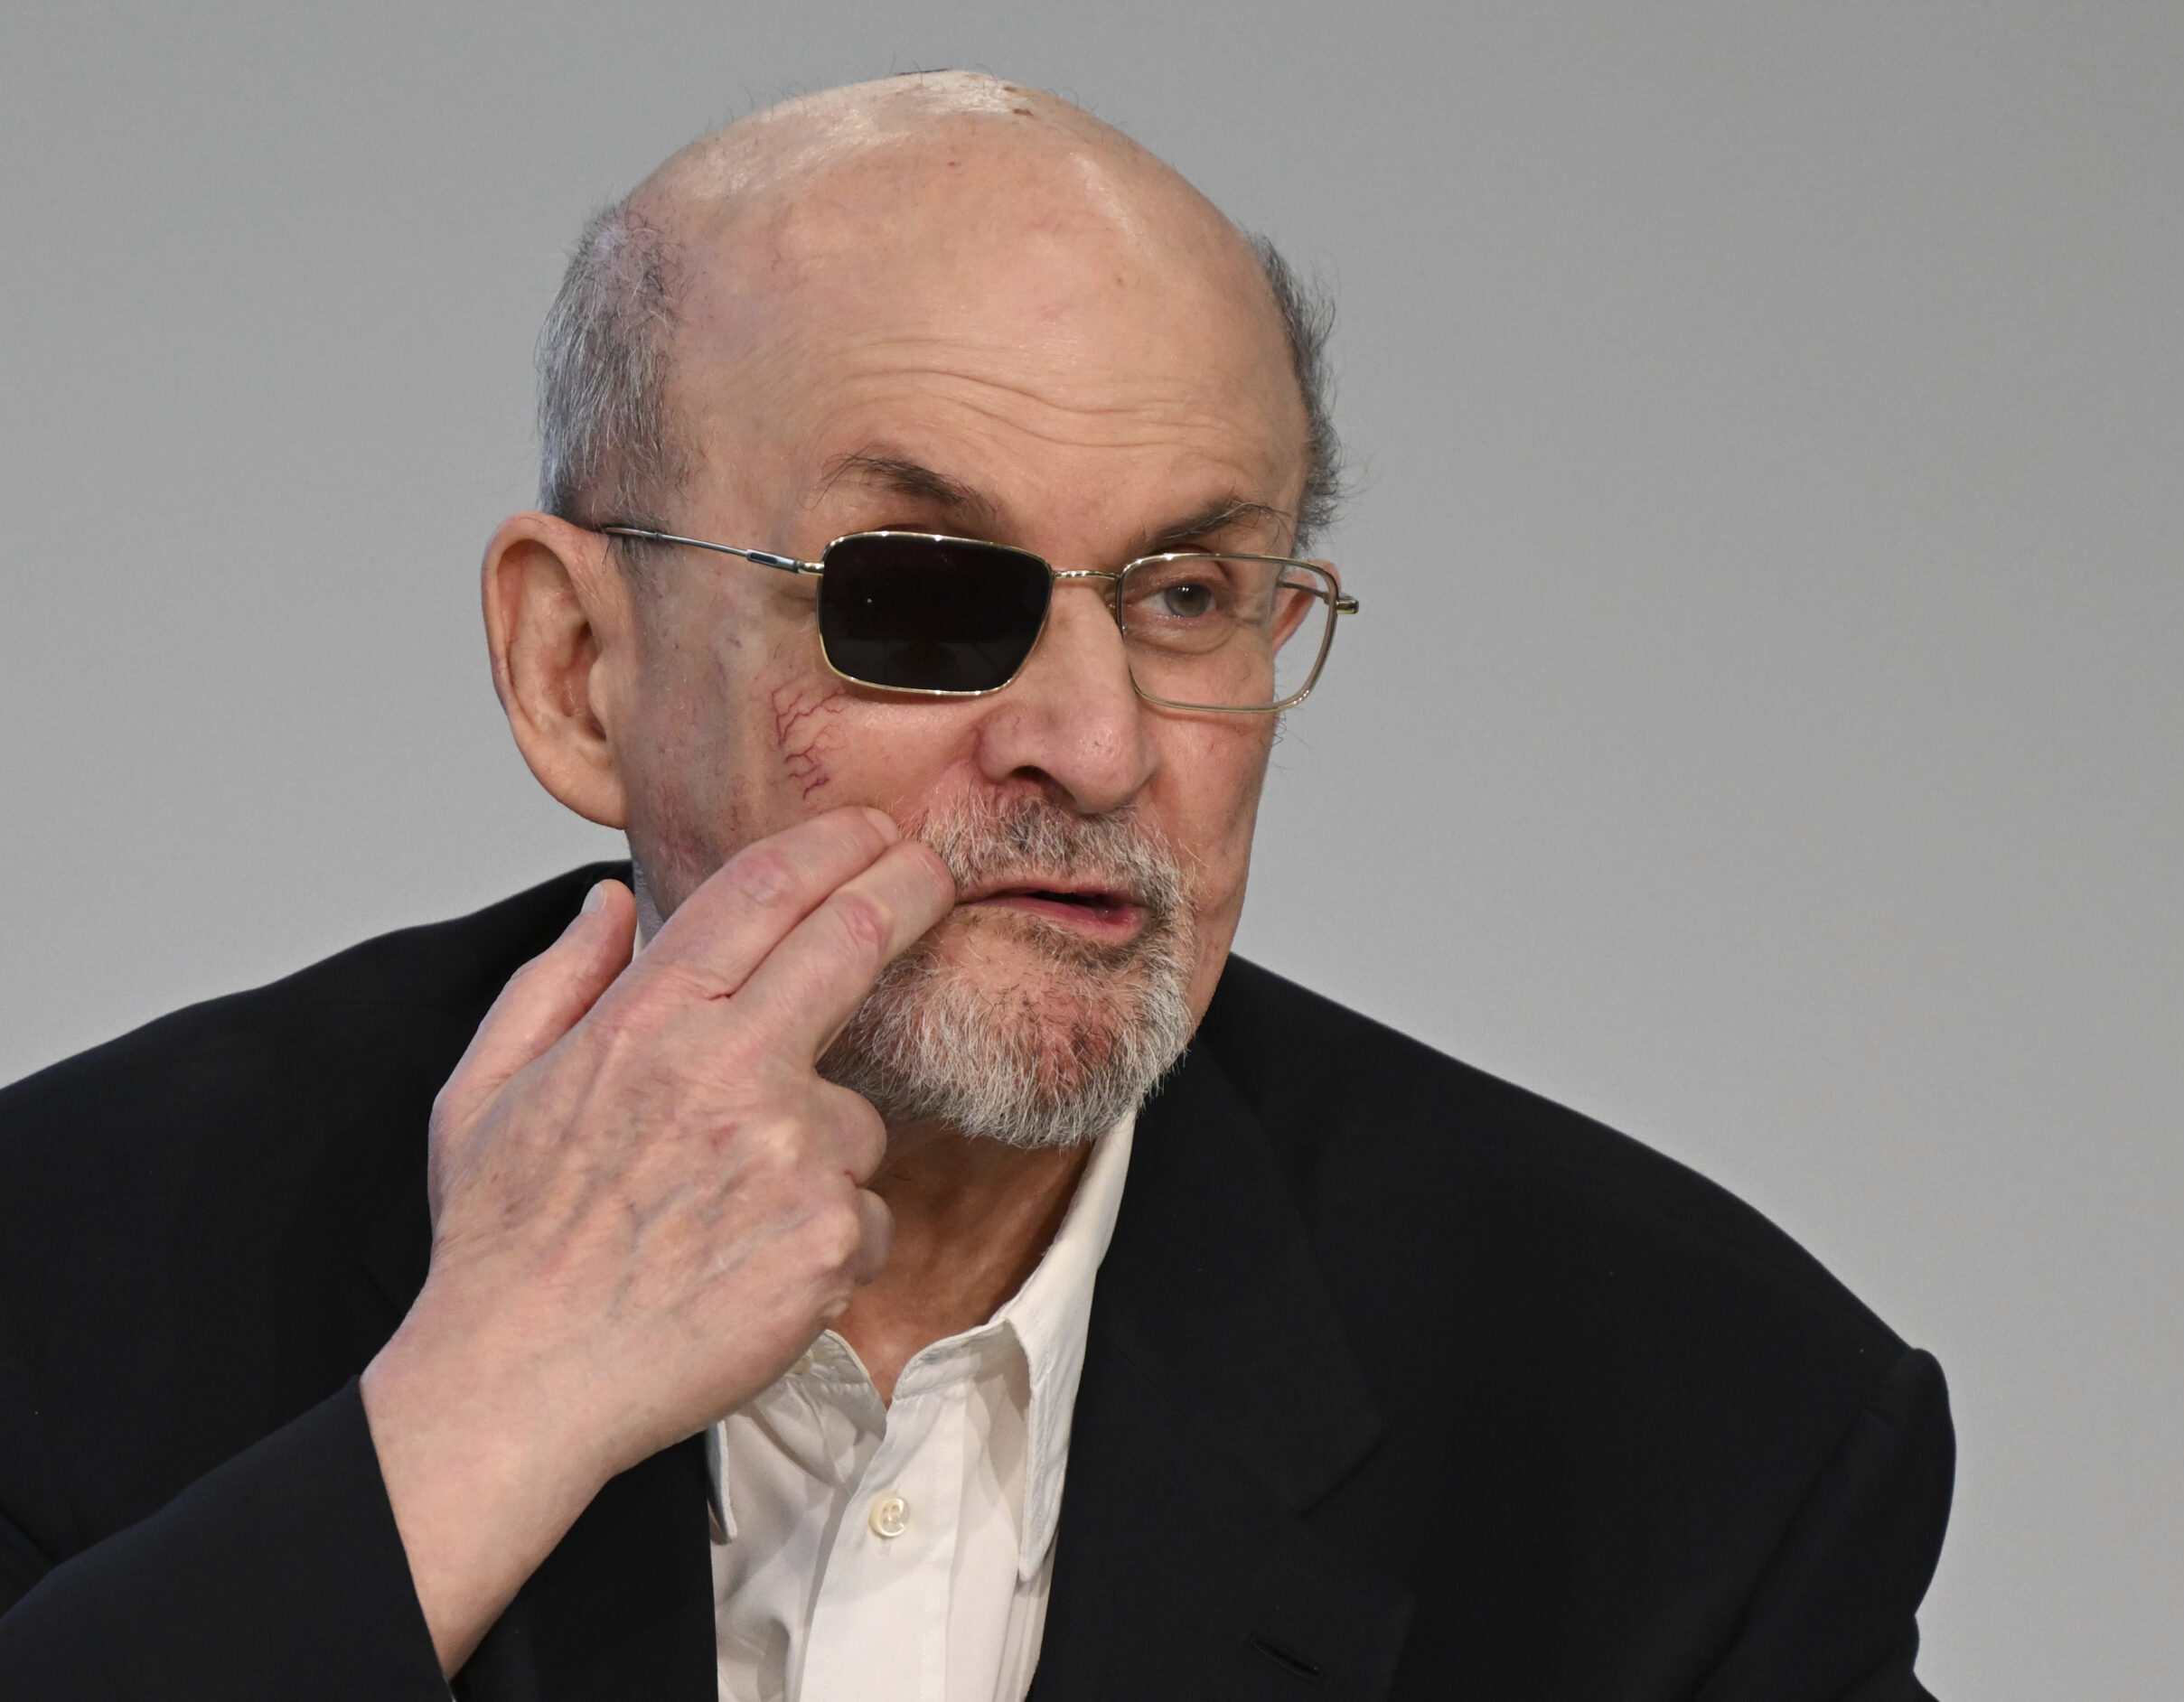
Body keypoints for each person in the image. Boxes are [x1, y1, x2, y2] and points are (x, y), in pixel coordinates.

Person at [0, 71, 1954, 1701]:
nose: (1096, 746)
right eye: (923, 598)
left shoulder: (1703, 1438)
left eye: (1188, 596)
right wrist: (469, 1421)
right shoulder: (60, 1274)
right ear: (575, 670)